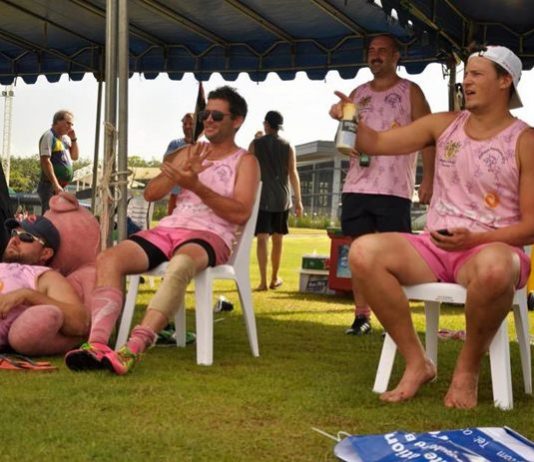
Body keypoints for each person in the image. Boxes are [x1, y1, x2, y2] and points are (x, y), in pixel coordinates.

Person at [349, 45, 534, 408]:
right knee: (363, 252)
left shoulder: (525, 140)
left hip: (489, 249)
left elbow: (531, 226)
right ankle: (417, 362)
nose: (467, 82)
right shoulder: (443, 124)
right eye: (465, 75)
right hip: (435, 246)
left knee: (496, 268)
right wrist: (349, 117)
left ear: (505, 81)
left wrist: (476, 238)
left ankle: (467, 370)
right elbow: (376, 142)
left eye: (477, 74)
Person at [65, 86, 260, 375]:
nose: (208, 120)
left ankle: (134, 347)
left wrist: (196, 186)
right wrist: (178, 175)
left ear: (238, 121)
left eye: (217, 116)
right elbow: (152, 193)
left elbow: (241, 212)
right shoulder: (187, 153)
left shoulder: (246, 161)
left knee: (180, 266)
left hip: (210, 235)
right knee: (109, 258)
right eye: (205, 114)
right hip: (169, 230)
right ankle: (97, 345)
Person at [329, 35, 435, 335]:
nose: (376, 56)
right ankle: (361, 316)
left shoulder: (410, 91)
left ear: (396, 56)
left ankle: (396, 321)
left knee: (396, 258)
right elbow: (344, 135)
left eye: (383, 51)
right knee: (359, 254)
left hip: (393, 188)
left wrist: (429, 178)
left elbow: (429, 137)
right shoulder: (357, 93)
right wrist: (343, 134)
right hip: (356, 186)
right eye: (372, 51)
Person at [0, 216, 88, 350]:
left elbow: (80, 322)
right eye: (13, 233)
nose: (14, 240)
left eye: (25, 237)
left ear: (45, 253)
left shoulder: (43, 276)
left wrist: (26, 295)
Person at [248, 111, 303, 291]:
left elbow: (248, 169)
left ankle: (263, 281)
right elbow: (293, 173)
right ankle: (274, 278)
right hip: (282, 198)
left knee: (262, 238)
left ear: (266, 124)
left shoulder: (255, 144)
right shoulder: (288, 146)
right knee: (278, 239)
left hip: (261, 197)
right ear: (279, 127)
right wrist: (298, 200)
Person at [37, 110, 79, 213]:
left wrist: (74, 139)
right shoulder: (49, 136)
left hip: (61, 186)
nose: (70, 127)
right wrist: (55, 184)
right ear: (58, 121)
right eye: (68, 123)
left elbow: (75, 156)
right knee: (50, 216)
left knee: (60, 216)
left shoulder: (65, 140)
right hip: (49, 186)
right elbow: (45, 161)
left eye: (72, 124)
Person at [163, 112, 195, 215]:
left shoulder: (203, 146)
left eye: (191, 124)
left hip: (195, 195)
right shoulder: (175, 144)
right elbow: (165, 163)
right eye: (185, 124)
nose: (187, 127)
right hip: (176, 193)